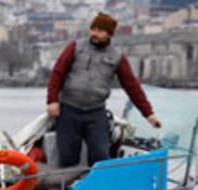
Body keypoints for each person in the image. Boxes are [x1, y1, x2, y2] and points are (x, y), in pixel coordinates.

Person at [47, 13, 161, 167]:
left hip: (95, 113)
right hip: (68, 111)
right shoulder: (75, 47)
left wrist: (149, 114)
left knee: (101, 155)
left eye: (100, 31)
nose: (95, 33)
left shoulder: (117, 57)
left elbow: (132, 86)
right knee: (68, 157)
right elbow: (57, 73)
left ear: (109, 34)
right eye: (93, 29)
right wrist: (52, 101)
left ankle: (99, 189)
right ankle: (70, 189)